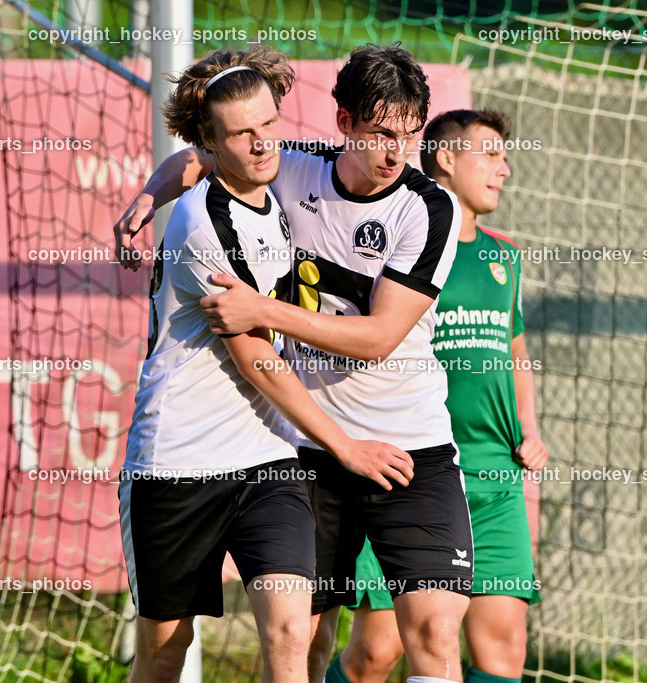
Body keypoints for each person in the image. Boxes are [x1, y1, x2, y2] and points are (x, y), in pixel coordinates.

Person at [118, 45, 474, 683]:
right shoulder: (289, 167)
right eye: (379, 134)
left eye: (409, 134)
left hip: (407, 445)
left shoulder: (428, 208)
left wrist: (265, 311)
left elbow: (378, 338)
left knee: (435, 634)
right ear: (342, 121)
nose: (395, 151)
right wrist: (150, 195)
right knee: (300, 639)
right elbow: (203, 157)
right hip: (308, 447)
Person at [326, 109, 550, 683]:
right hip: (414, 471)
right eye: (491, 154)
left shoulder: (505, 255)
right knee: (378, 653)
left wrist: (529, 428)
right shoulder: (410, 235)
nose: (504, 168)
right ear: (446, 158)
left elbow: (516, 347)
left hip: (496, 477)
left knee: (503, 650)